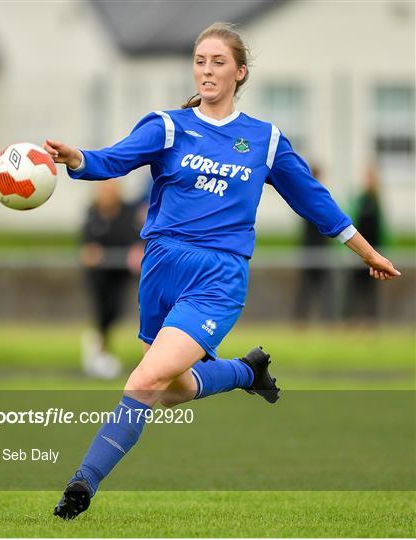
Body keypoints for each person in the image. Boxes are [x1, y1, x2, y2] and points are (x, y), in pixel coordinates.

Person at [44, 22, 401, 519]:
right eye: (200, 61)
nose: (206, 70)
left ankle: (81, 484)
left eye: (217, 62)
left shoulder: (264, 140)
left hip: (218, 277)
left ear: (240, 72)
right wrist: (77, 158)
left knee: (142, 384)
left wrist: (366, 251)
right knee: (169, 390)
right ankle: (242, 371)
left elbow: (314, 200)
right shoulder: (168, 126)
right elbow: (114, 159)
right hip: (162, 269)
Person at [80, 180, 144, 379]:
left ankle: (101, 349)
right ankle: (98, 350)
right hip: (99, 274)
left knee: (117, 310)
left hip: (121, 272)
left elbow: (136, 237)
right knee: (103, 312)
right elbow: (87, 243)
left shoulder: (128, 212)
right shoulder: (92, 213)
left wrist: (137, 250)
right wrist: (91, 253)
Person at [343, 165, 385, 320]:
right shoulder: (360, 201)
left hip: (372, 254)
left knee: (371, 290)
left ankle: (370, 319)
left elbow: (381, 229)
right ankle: (351, 319)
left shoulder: (376, 202)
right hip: (360, 254)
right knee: (354, 289)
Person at [294, 164, 335, 321]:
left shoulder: (309, 197)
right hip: (314, 250)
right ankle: (304, 318)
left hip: (316, 250)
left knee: (318, 288)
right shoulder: (314, 198)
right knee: (309, 288)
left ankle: (316, 318)